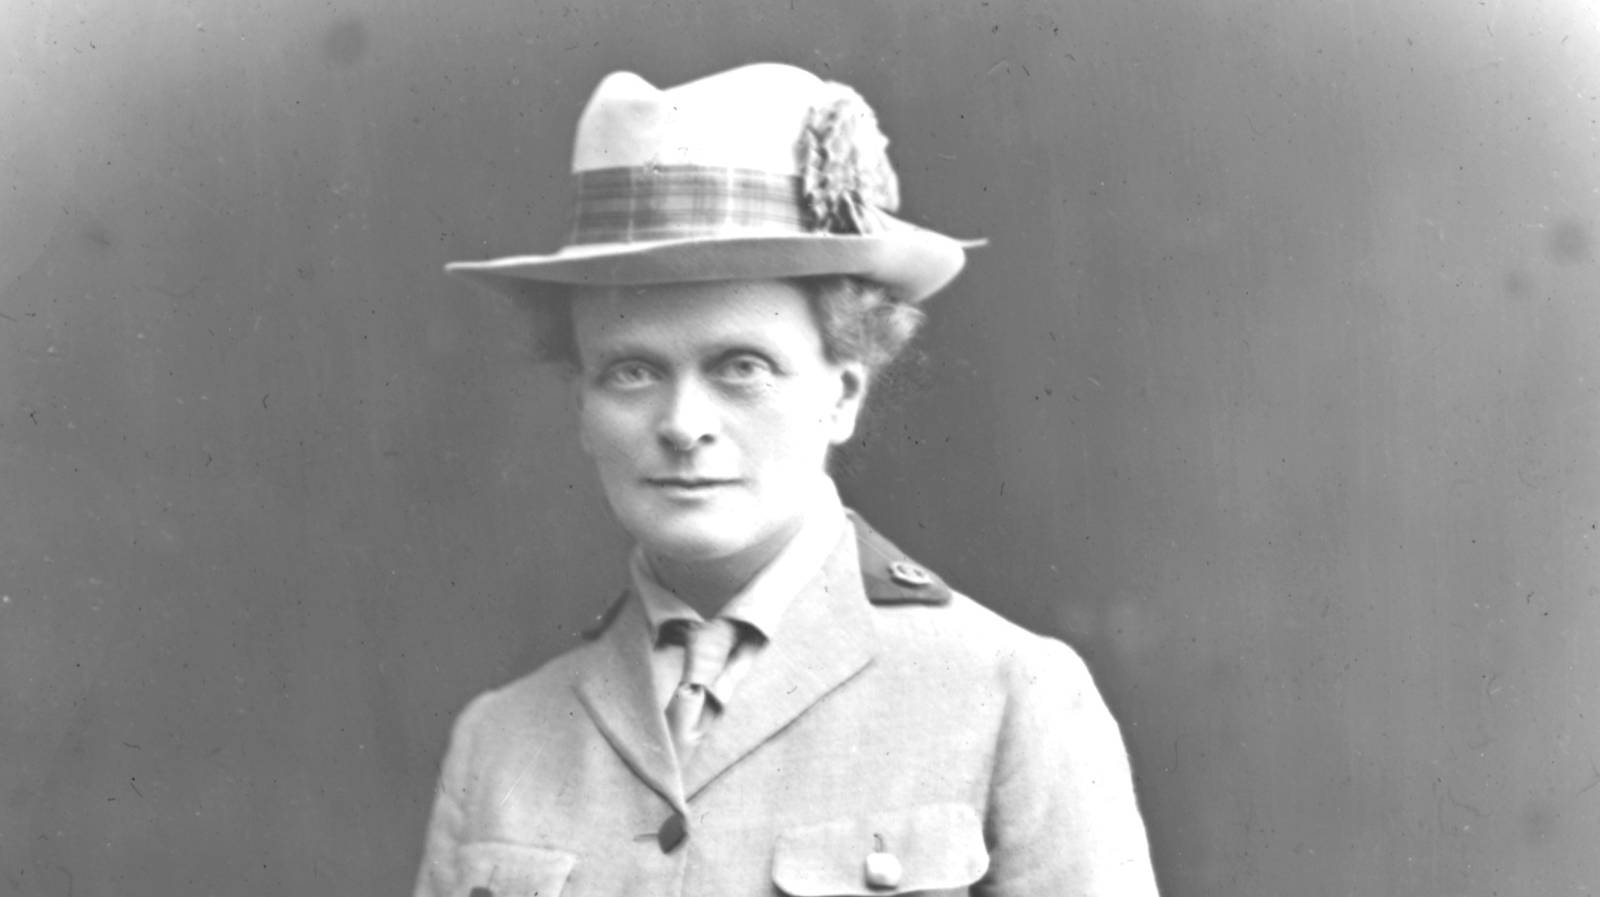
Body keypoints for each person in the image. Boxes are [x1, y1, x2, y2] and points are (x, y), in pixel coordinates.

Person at [413, 62, 1159, 897]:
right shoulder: (499, 743)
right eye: (630, 372)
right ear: (582, 406)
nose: (683, 423)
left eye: (741, 366)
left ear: (842, 393)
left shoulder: (1010, 698)